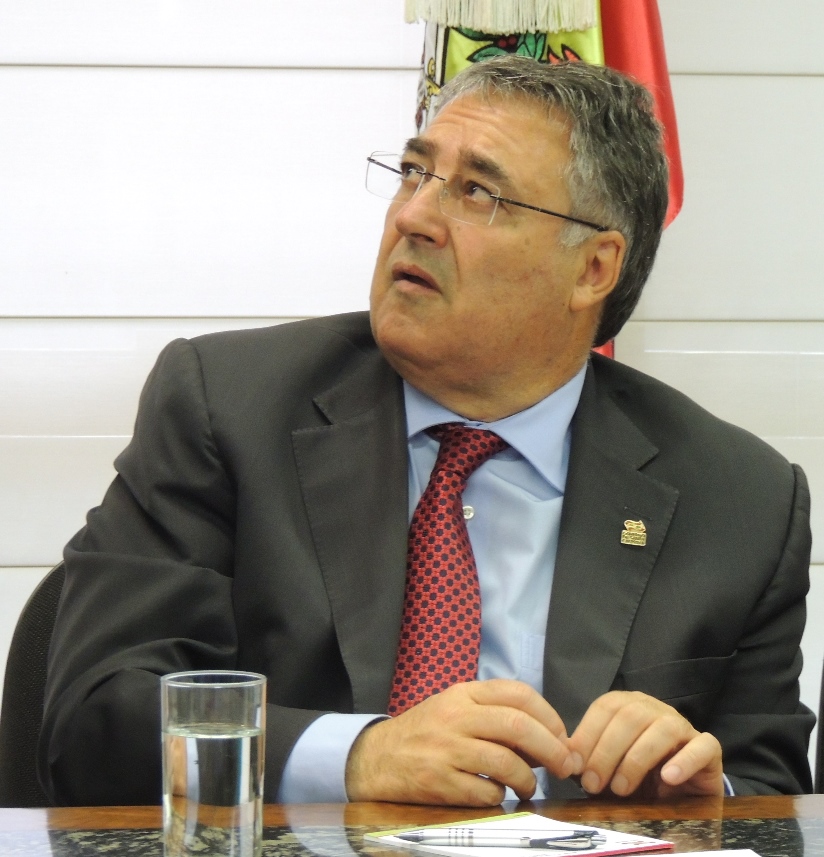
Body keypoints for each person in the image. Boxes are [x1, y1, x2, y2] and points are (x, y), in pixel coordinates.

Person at [38, 56, 813, 807]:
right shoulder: (229, 407)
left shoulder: (740, 500)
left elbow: (772, 785)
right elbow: (95, 717)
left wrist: (703, 799)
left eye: (478, 192)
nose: (412, 217)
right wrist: (358, 756)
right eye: (414, 173)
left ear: (592, 269)